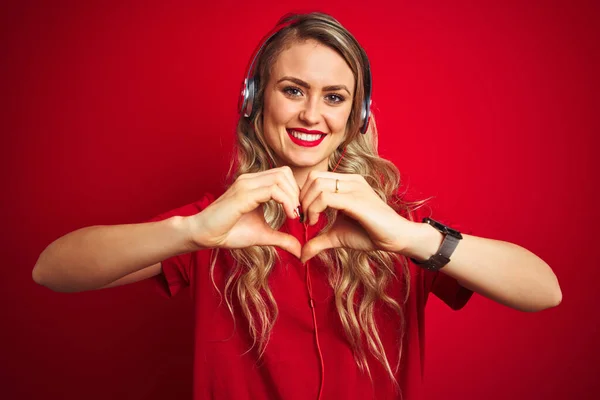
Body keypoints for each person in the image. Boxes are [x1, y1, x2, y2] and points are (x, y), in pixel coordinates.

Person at [32, 12, 562, 400]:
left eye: (334, 97)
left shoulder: (393, 227)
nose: (312, 114)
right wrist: (192, 230)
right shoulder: (213, 222)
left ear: (358, 117)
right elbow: (53, 269)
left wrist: (411, 238)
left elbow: (543, 290)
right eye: (293, 90)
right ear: (254, 100)